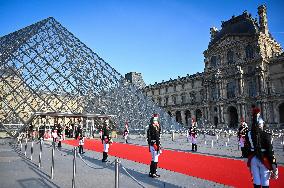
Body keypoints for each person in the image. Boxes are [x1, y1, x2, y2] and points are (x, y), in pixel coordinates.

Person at [245, 106, 278, 188]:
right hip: (264, 159)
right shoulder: (266, 135)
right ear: (261, 124)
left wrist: (248, 161)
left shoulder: (248, 134)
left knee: (256, 181)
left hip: (253, 159)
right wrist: (274, 166)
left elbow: (246, 149)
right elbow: (270, 152)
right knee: (265, 182)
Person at [147, 113, 162, 178]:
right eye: (156, 121)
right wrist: (158, 147)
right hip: (155, 145)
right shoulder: (155, 129)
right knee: (155, 159)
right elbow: (157, 138)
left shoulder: (149, 128)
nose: (157, 123)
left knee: (153, 159)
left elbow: (148, 138)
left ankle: (151, 172)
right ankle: (154, 173)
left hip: (151, 145)